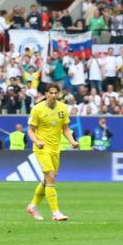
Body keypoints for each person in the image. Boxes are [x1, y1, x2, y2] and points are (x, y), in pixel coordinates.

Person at [25, 84, 79, 222]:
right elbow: (30, 130)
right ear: (46, 94)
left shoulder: (63, 108)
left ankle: (32, 206)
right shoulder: (37, 109)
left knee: (48, 179)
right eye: (51, 93)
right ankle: (56, 213)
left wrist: (72, 141)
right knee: (50, 176)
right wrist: (37, 142)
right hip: (42, 148)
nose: (54, 95)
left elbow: (65, 128)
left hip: (56, 148)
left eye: (56, 93)